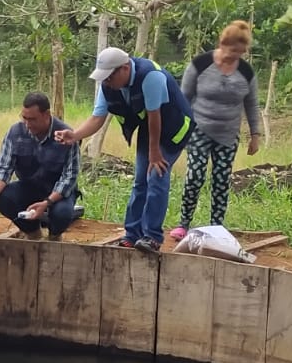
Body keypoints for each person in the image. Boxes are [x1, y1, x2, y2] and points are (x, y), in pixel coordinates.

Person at [55, 47, 194, 254]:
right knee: (140, 180)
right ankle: (132, 235)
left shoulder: (151, 76)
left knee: (156, 175)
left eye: (110, 77)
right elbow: (97, 118)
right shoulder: (108, 86)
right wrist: (74, 135)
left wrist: (155, 153)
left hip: (174, 126)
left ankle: (152, 237)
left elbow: (155, 115)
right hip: (151, 128)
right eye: (104, 78)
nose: (107, 82)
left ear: (125, 69)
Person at [172, 20, 263, 240]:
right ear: (223, 44)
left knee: (222, 180)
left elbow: (251, 104)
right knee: (195, 175)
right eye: (233, 51)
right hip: (200, 128)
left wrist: (255, 135)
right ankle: (184, 223)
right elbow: (183, 98)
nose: (235, 57)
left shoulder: (246, 72)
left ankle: (216, 228)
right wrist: (180, 130)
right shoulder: (201, 64)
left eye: (241, 53)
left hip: (228, 134)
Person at [0, 92, 81, 241]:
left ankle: (55, 236)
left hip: (57, 192)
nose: (28, 124)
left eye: (33, 119)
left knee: (62, 213)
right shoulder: (15, 132)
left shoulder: (67, 135)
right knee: (2, 197)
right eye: (25, 118)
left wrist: (47, 203)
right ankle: (32, 232)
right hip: (29, 187)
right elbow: (3, 167)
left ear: (46, 114)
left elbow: (69, 177)